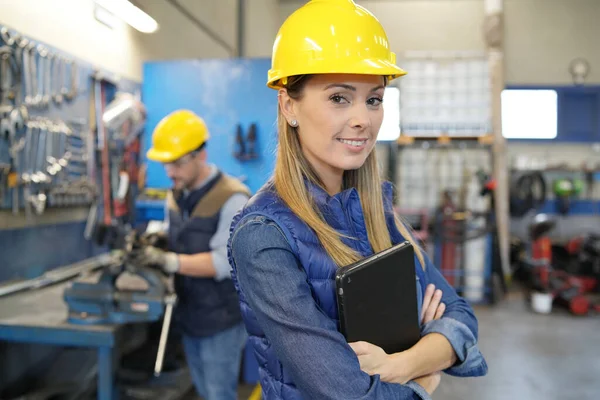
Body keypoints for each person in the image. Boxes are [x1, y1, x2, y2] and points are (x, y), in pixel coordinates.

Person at [226, 1, 488, 399]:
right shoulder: (263, 235)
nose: (363, 119)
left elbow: (461, 318)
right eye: (338, 98)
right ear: (289, 104)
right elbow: (350, 394)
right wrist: (427, 375)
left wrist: (402, 366)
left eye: (374, 99)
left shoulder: (375, 212)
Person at [140, 109, 250, 400]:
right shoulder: (176, 194)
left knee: (218, 393)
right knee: (203, 390)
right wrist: (156, 242)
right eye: (166, 164)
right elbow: (178, 233)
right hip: (189, 313)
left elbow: (223, 262)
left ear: (200, 155)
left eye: (176, 163)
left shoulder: (232, 198)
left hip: (221, 320)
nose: (170, 172)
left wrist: (169, 261)